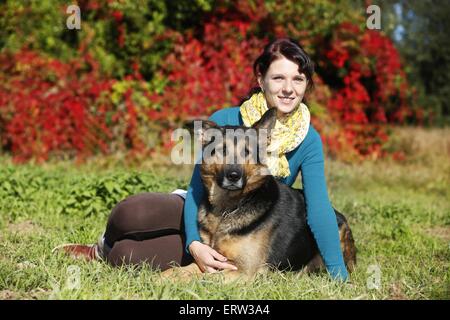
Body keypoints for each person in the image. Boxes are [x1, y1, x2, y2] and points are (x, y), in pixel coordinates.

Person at [54, 38, 349, 281]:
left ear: (306, 84)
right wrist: (195, 243)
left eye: (298, 79)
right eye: (278, 77)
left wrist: (339, 276)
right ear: (261, 79)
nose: (288, 88)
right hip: (202, 208)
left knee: (125, 257)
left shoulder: (307, 138)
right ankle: (99, 246)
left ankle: (106, 253)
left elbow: (319, 209)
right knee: (131, 213)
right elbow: (197, 188)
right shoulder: (223, 119)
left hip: (250, 217)